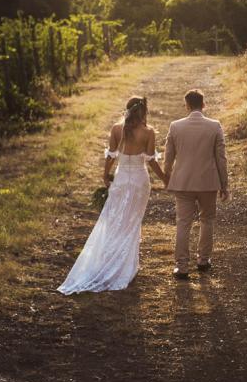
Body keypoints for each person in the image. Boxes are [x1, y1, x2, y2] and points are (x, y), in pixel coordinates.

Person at [57, 96, 168, 294]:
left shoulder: (117, 129)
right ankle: (126, 265)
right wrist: (166, 179)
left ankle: (111, 259)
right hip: (139, 183)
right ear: (144, 112)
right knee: (132, 223)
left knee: (115, 219)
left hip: (121, 180)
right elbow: (151, 162)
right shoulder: (148, 132)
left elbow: (111, 156)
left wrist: (105, 175)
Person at [163, 89, 228, 279]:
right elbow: (221, 159)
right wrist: (225, 185)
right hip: (208, 182)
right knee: (207, 221)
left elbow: (168, 157)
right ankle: (203, 261)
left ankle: (182, 267)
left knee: (183, 223)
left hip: (183, 182)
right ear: (204, 104)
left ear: (187, 105)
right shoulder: (215, 126)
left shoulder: (175, 126)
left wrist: (167, 175)